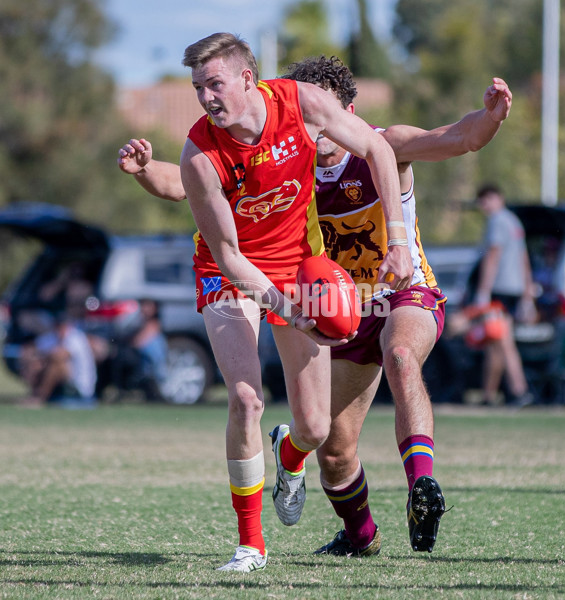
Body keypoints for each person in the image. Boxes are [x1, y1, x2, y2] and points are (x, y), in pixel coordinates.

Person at [118, 54, 512, 561]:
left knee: (401, 356)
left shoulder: (382, 145)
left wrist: (491, 117)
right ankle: (358, 532)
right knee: (330, 444)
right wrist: (148, 169)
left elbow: (458, 138)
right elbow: (190, 182)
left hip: (401, 292)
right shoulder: (291, 157)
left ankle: (421, 485)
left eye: (322, 110)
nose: (312, 124)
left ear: (346, 109)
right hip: (333, 307)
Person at [120, 33, 408, 573]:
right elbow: (229, 255)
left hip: (298, 264)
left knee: (317, 428)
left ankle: (288, 453)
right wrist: (281, 303)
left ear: (248, 78)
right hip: (228, 273)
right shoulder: (201, 153)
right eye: (198, 87)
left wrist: (396, 237)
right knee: (247, 397)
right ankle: (250, 543)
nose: (206, 97)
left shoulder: (301, 103)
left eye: (215, 84)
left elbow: (378, 148)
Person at [473, 184, 537, 407]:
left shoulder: (498, 221)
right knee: (495, 342)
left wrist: (483, 291)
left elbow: (493, 256)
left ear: (498, 198)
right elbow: (524, 257)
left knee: (504, 343)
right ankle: (489, 394)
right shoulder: (513, 221)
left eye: (487, 199)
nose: (484, 205)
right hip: (515, 289)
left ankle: (520, 391)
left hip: (499, 290)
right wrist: (527, 291)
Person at [19, 312, 97, 408]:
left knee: (56, 364)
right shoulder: (52, 337)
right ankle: (34, 394)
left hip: (79, 387)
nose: (61, 330)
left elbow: (60, 355)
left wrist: (41, 357)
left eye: (63, 327)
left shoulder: (77, 338)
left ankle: (40, 397)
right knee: (35, 364)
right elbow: (31, 350)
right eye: (59, 326)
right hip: (61, 385)